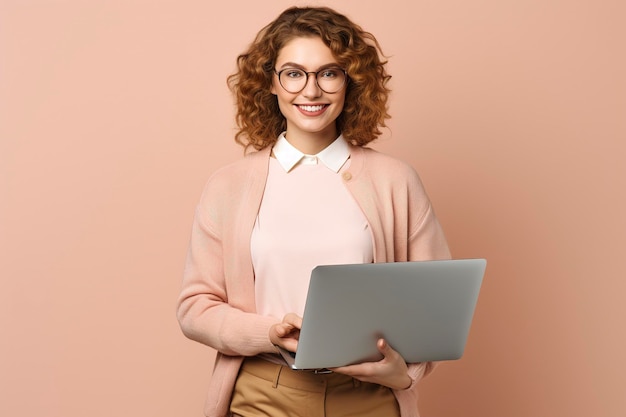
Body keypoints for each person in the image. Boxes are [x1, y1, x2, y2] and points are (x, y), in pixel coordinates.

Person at [177, 6, 450, 417]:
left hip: (368, 395)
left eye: (328, 72)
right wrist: (268, 332)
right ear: (270, 81)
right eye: (293, 73)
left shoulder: (396, 181)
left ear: (350, 81)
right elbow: (196, 306)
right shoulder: (228, 186)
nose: (311, 90)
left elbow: (438, 303)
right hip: (263, 392)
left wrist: (404, 373)